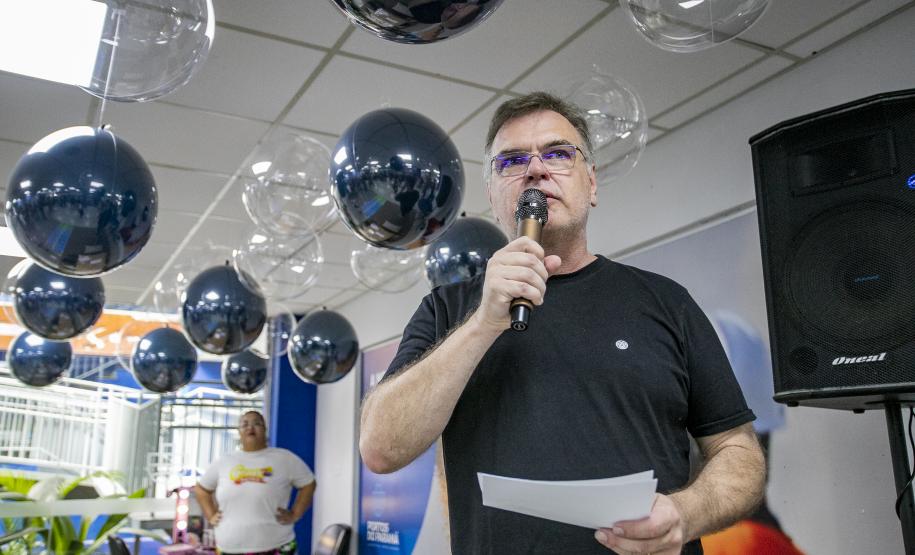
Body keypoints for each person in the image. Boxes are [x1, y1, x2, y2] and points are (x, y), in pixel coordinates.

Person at [359, 92, 766, 554]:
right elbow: (381, 447)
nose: (535, 169)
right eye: (511, 161)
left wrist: (686, 513)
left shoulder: (666, 303)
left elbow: (739, 453)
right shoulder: (447, 310)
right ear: (493, 196)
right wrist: (481, 325)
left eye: (557, 153)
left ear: (591, 184)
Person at [196, 411, 316, 555]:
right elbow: (202, 489)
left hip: (277, 546)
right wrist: (210, 514)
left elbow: (309, 483)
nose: (250, 427)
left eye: (257, 423)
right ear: (239, 432)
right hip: (230, 548)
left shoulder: (284, 458)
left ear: (265, 429)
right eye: (244, 424)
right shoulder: (224, 461)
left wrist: (295, 514)